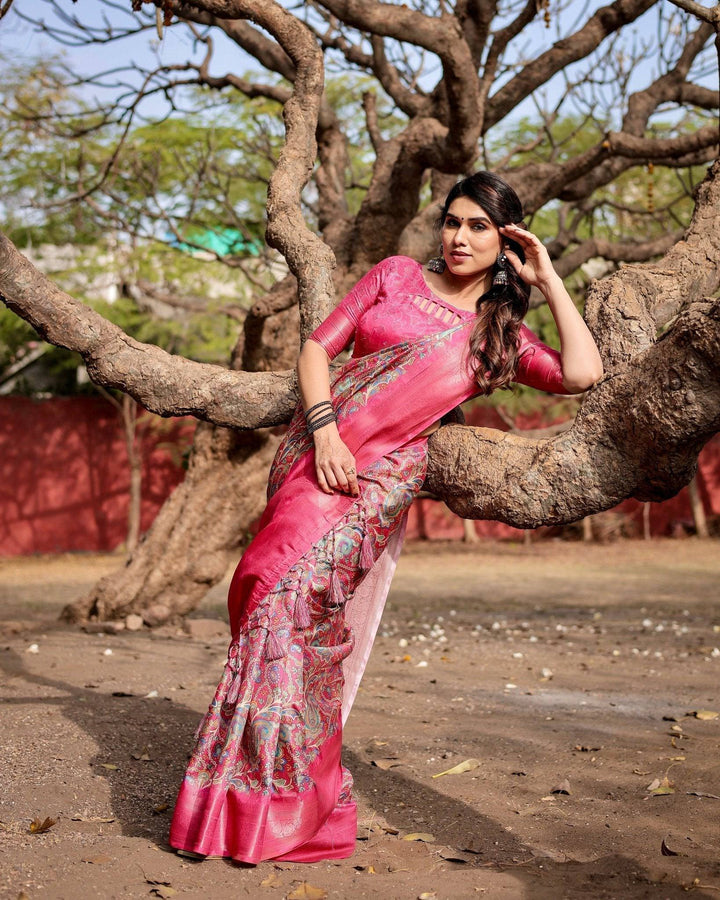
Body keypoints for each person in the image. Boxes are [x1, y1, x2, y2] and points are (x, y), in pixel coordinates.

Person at [168, 172, 603, 864]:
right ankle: (238, 801)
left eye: (479, 228)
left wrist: (549, 279)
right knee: (259, 598)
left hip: (374, 488)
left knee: (291, 619)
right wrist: (326, 429)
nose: (459, 237)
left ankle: (278, 810)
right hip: (318, 455)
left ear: (506, 242)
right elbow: (318, 349)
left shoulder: (498, 337)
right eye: (453, 222)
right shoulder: (395, 275)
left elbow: (583, 373)